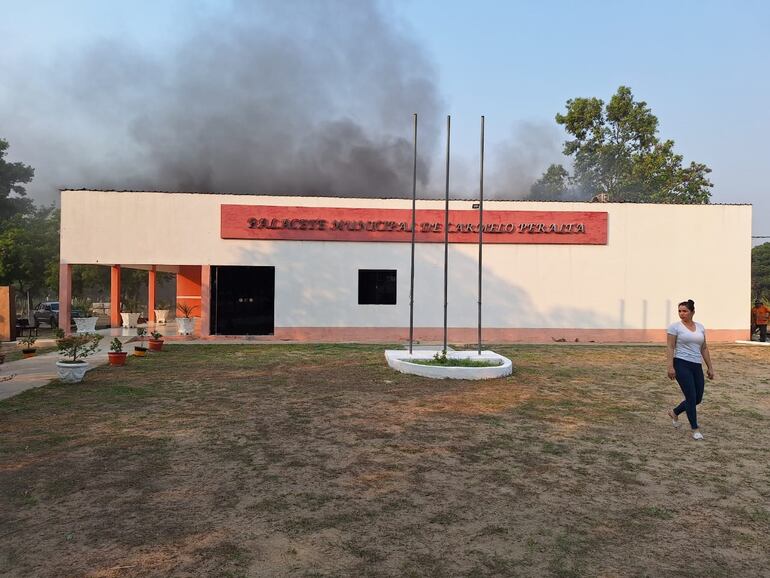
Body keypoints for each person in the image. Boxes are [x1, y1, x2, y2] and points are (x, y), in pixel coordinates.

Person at [666, 299, 714, 440]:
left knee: (697, 398)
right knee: (691, 397)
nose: (682, 314)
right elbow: (670, 347)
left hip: (696, 365)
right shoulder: (674, 327)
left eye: (685, 311)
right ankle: (695, 428)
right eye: (680, 311)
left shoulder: (700, 327)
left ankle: (675, 412)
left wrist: (710, 367)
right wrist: (670, 366)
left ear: (692, 312)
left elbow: (704, 348)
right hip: (681, 364)